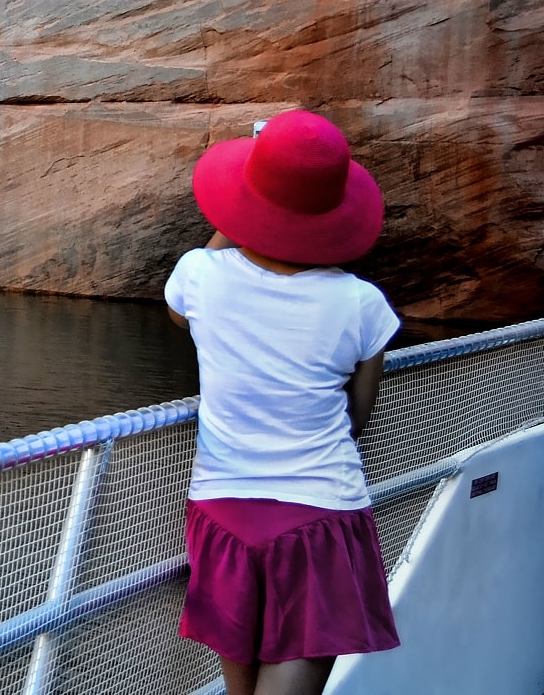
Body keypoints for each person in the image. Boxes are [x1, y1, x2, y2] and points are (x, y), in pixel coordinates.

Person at [165, 109, 402, 695]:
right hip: (318, 513)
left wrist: (245, 206)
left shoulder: (200, 277)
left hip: (223, 510)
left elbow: (177, 310)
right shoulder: (362, 304)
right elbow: (357, 417)